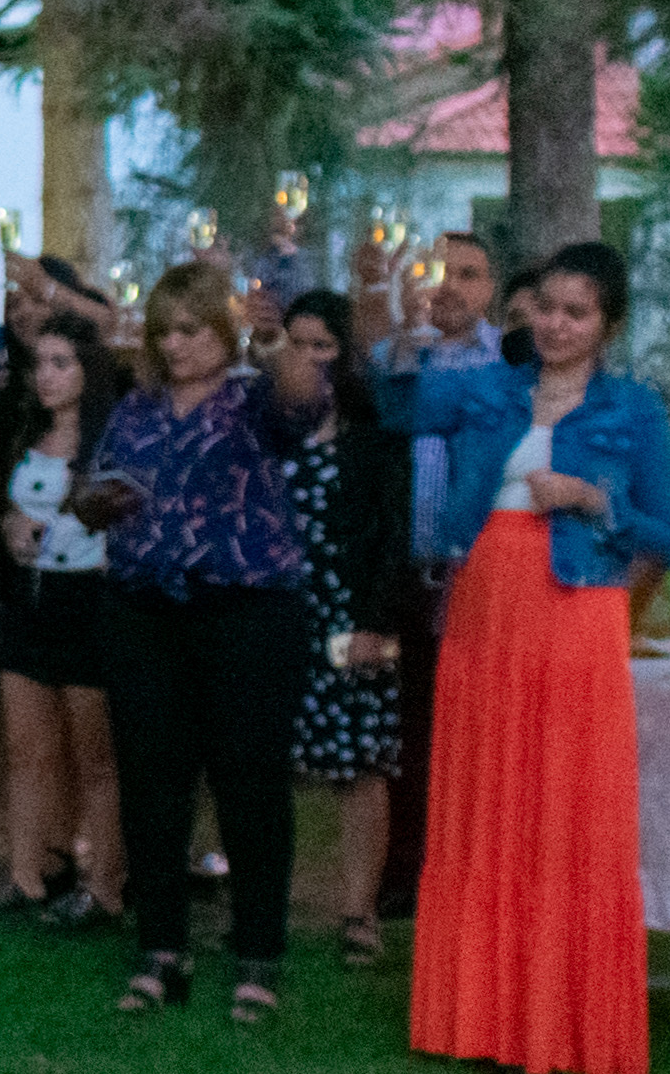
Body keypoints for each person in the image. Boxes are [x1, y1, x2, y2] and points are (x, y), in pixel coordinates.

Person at [384, 237, 670, 1074]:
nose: (556, 325)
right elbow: (396, 407)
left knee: (562, 800)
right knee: (487, 793)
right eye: (547, 308)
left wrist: (595, 499)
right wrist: (398, 322)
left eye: (576, 313)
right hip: (487, 603)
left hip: (577, 610)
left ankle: (552, 1016)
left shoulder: (635, 410)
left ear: (608, 325)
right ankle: (479, 1011)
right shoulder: (490, 387)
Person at [84, 260, 328, 1021]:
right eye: (164, 332)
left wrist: (273, 337)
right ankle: (162, 949)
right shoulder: (136, 409)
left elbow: (306, 401)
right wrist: (98, 503)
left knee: (250, 783)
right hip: (144, 606)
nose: (176, 344)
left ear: (222, 331)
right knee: (152, 783)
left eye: (191, 329)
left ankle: (258, 953)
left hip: (247, 609)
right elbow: (96, 486)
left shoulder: (253, 398)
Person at [274, 291, 427, 968]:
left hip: (348, 617)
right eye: (296, 344)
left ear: (345, 355)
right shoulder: (263, 435)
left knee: (359, 765)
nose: (308, 358)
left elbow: (393, 539)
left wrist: (374, 622)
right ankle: (263, 907)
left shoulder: (372, 440)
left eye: (322, 345)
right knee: (260, 766)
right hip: (272, 616)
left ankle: (359, 912)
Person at [371, 230, 505, 923]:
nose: (451, 285)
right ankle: (405, 870)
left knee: (479, 728)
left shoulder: (509, 365)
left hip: (482, 573)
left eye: (469, 273)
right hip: (403, 569)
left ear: (492, 288)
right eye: (440, 272)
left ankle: (475, 867)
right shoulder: (392, 360)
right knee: (407, 728)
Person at [0, 316, 121, 922]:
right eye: (40, 363)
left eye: (62, 363)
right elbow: (5, 507)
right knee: (27, 746)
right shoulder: (26, 433)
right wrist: (11, 524)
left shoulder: (112, 441)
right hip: (28, 598)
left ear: (90, 370)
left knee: (94, 755)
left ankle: (103, 882)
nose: (46, 376)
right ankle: (27, 873)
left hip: (89, 600)